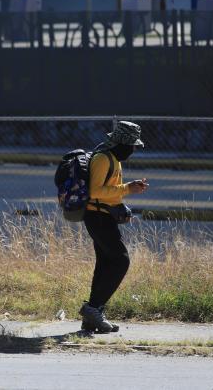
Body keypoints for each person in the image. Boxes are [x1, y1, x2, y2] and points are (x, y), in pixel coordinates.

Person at [79, 121, 149, 333]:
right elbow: (95, 191)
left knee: (105, 264)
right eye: (131, 146)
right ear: (120, 143)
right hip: (96, 216)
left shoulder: (114, 159)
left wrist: (122, 202)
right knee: (121, 261)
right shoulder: (103, 159)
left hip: (105, 216)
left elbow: (110, 190)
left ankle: (92, 316)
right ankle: (93, 309)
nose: (133, 150)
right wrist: (127, 188)